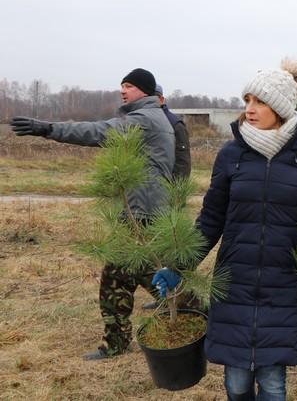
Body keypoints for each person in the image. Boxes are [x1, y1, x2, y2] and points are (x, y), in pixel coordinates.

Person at [152, 59, 297, 401]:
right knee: (236, 383)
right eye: (247, 100)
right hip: (236, 281)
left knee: (273, 382)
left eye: (260, 101)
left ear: (280, 108)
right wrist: (178, 266)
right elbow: (210, 221)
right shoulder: (231, 155)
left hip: (285, 284)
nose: (249, 108)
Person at [11, 68, 175, 360]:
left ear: (145, 90)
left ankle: (119, 342)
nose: (122, 91)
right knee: (145, 274)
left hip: (142, 211)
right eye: (122, 86)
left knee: (119, 278)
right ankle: (197, 314)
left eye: (129, 86)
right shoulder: (153, 116)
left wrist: (48, 129)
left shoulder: (144, 119)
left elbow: (99, 132)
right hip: (145, 208)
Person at [154, 84, 191, 179]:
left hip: (165, 183)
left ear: (161, 100)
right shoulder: (137, 122)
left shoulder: (175, 124)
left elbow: (182, 162)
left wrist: (174, 186)